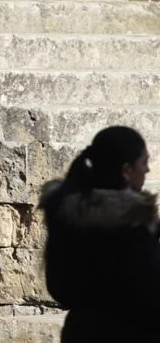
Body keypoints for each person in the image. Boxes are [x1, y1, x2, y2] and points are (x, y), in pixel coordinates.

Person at [40, 126, 159, 341]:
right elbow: (148, 295)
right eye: (143, 162)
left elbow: (59, 288)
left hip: (81, 332)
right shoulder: (132, 222)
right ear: (126, 170)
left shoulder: (65, 214)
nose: (148, 170)